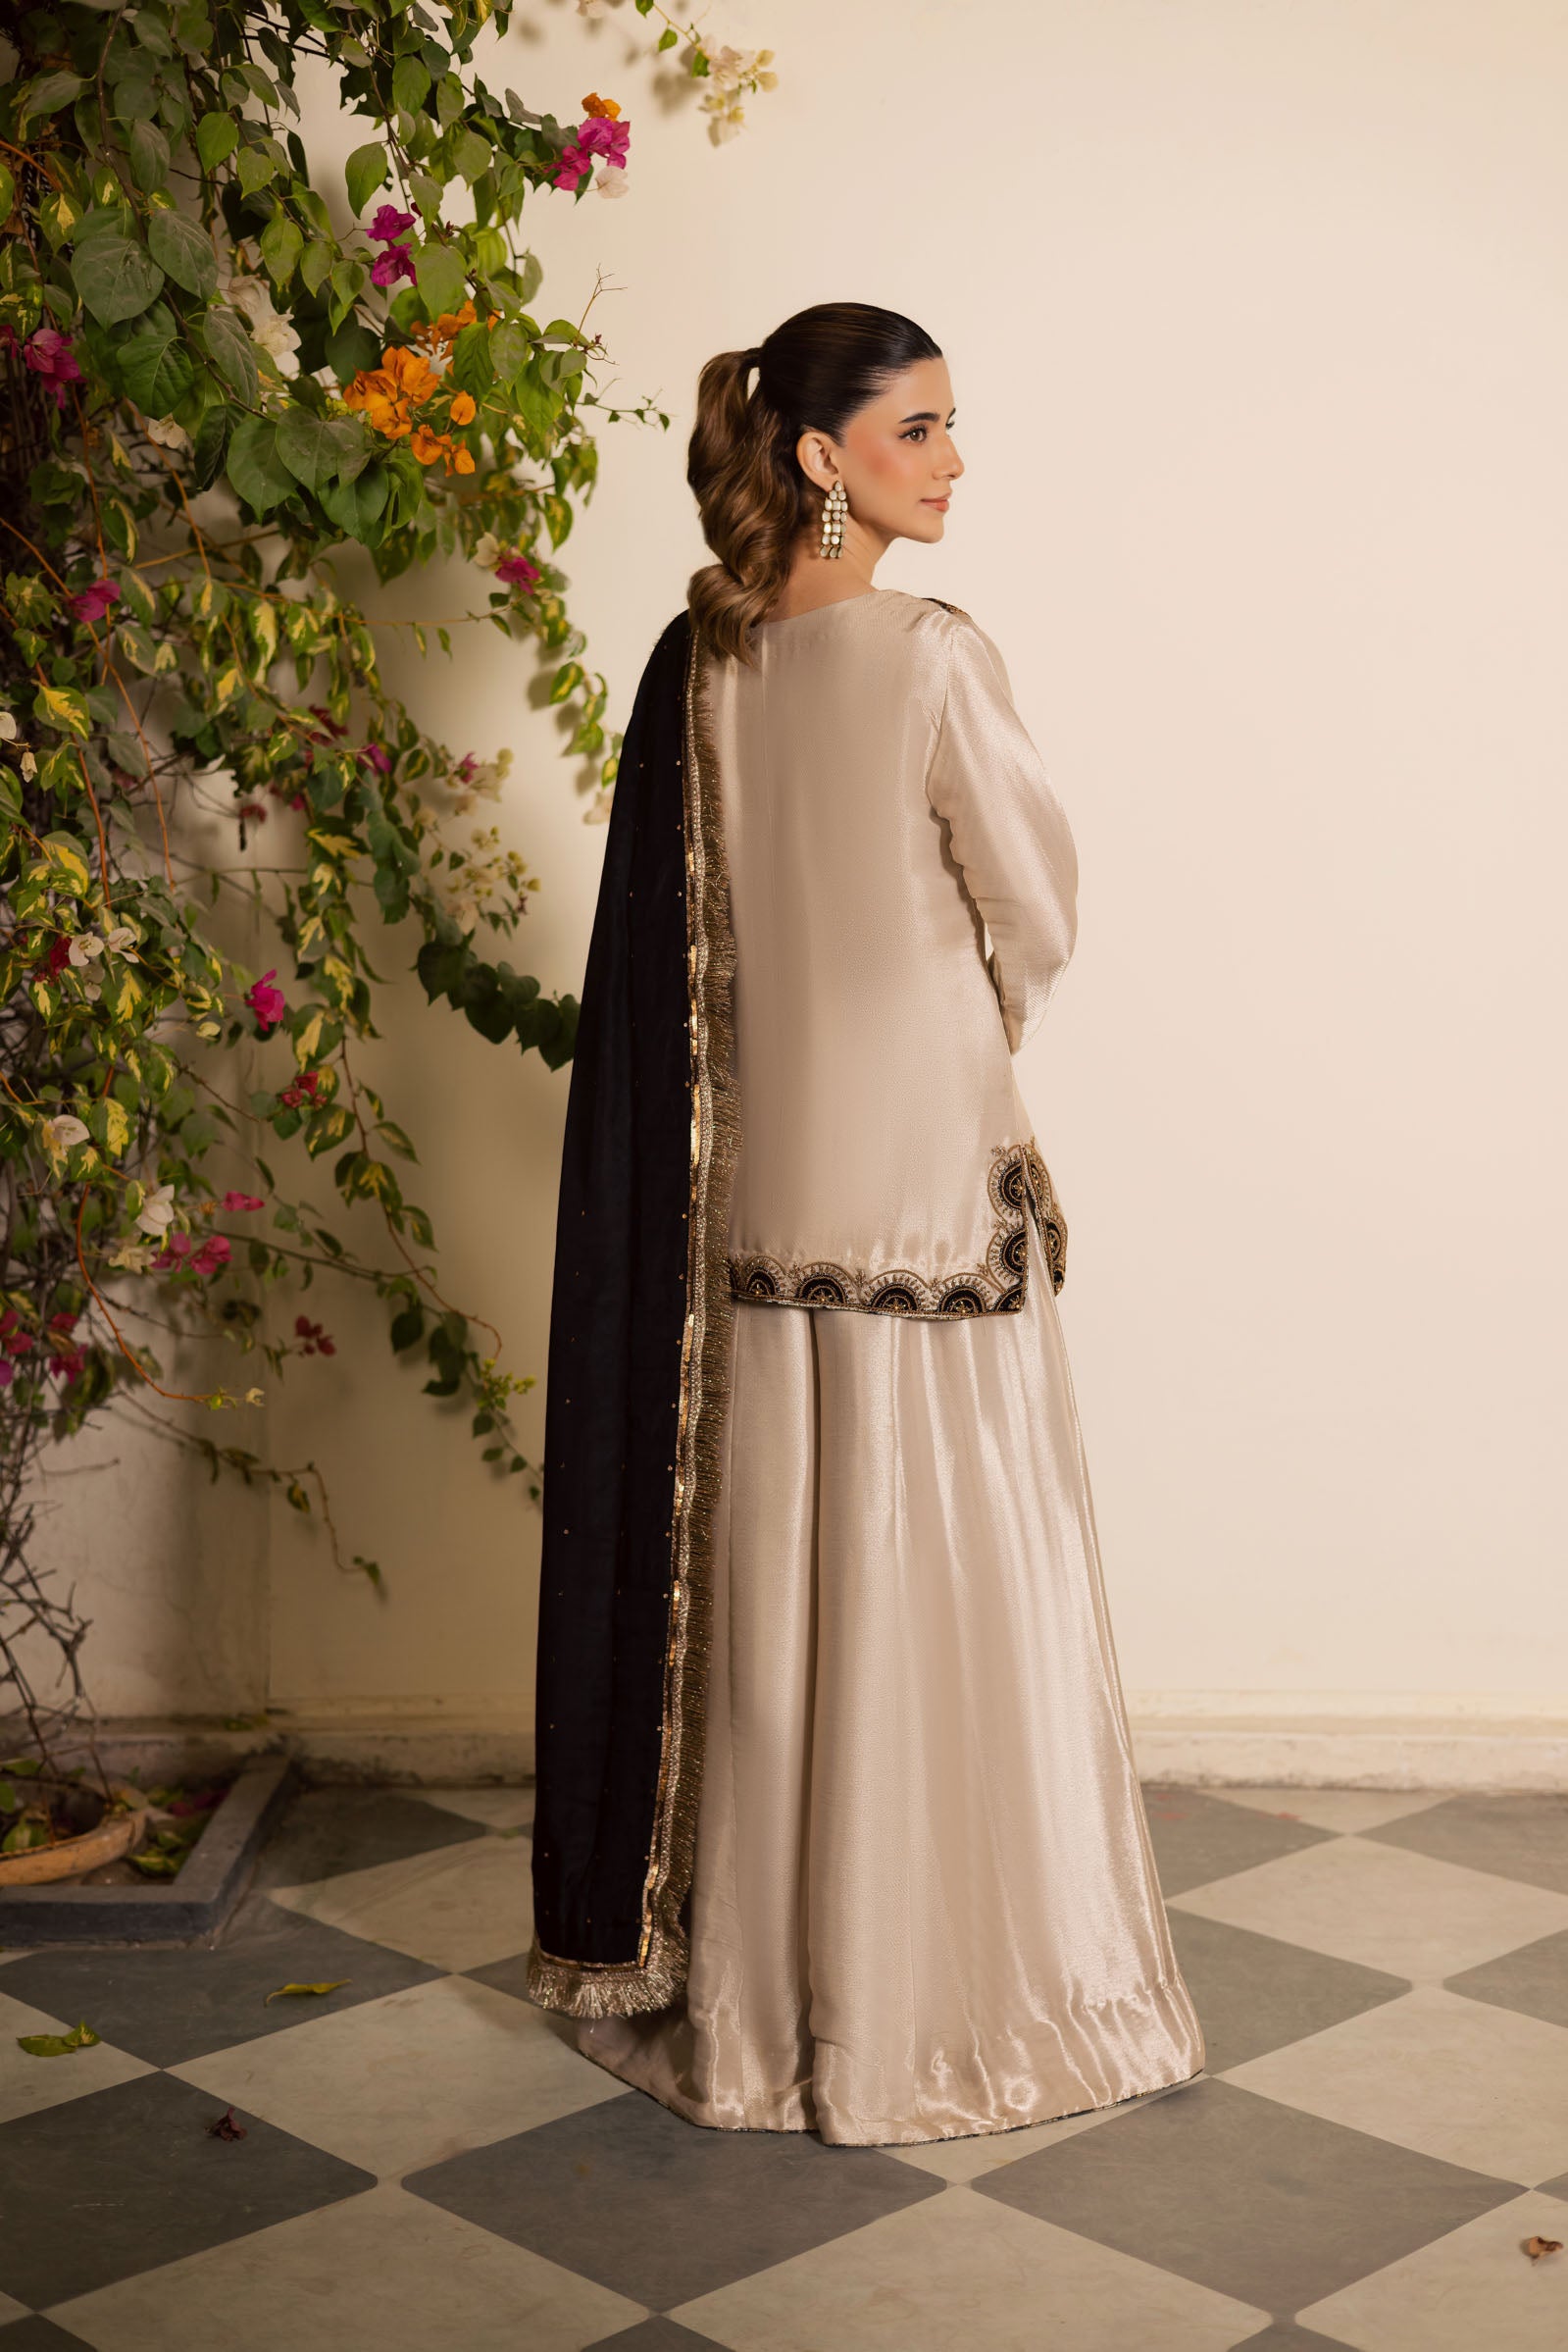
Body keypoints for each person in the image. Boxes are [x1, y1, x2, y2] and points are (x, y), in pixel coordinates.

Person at [526, 301, 1206, 2147]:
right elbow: (1034, 903)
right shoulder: (929, 656)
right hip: (926, 1188)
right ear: (824, 456)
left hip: (755, 1200)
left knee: (784, 1601)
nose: (954, 461)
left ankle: (770, 2014)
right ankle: (947, 2003)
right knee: (951, 1581)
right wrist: (970, 1020)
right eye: (921, 429)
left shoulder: (701, 666)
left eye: (954, 425)